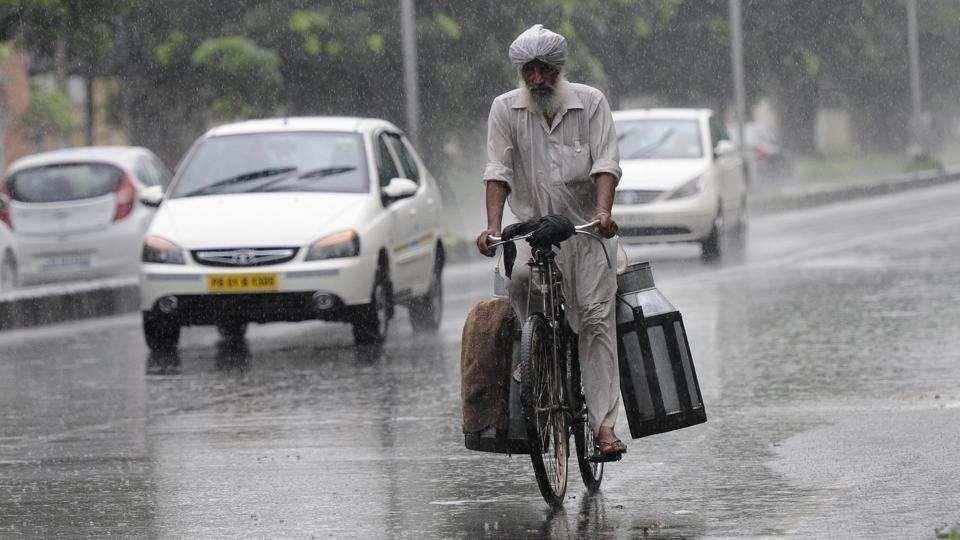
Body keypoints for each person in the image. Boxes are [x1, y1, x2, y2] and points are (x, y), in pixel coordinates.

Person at [476, 24, 626, 457]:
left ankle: (603, 428)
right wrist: (493, 227)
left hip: (586, 233)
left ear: (558, 69)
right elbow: (497, 171)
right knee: (520, 279)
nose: (536, 79)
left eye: (543, 70)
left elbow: (606, 163)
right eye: (528, 71)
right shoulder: (505, 110)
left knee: (596, 324)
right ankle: (535, 350)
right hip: (535, 231)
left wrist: (603, 213)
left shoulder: (591, 103)